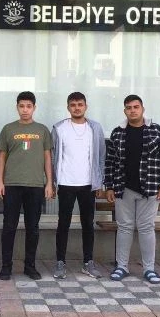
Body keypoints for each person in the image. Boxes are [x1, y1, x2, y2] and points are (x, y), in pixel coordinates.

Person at [104, 94, 160, 285]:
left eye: (136, 107)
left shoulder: (156, 130)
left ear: (142, 109)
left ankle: (149, 269)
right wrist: (109, 186)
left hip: (149, 187)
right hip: (123, 187)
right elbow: (110, 162)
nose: (132, 110)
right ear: (124, 111)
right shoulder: (118, 132)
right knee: (124, 227)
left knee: (146, 228)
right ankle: (122, 266)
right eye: (129, 108)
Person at [0, 91, 54, 280]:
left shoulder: (42, 130)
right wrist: (0, 181)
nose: (25, 110)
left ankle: (30, 266)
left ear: (34, 108)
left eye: (29, 106)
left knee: (33, 228)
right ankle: (6, 267)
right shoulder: (8, 129)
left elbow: (47, 157)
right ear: (17, 107)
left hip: (35, 185)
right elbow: (2, 156)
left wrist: (49, 183)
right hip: (12, 184)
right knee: (9, 227)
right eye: (22, 106)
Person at [51, 92, 106, 279]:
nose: (76, 108)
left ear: (85, 106)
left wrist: (99, 182)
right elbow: (52, 157)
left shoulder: (95, 128)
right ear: (68, 107)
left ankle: (88, 262)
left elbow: (101, 156)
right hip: (66, 183)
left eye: (80, 104)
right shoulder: (59, 128)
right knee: (63, 224)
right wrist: (53, 182)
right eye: (73, 105)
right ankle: (60, 262)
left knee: (88, 224)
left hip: (88, 184)